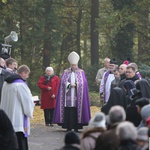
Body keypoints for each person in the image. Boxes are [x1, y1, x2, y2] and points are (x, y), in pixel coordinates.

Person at [53, 51, 91, 132]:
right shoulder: (65, 72)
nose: (74, 66)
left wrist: (77, 84)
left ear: (77, 64)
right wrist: (69, 85)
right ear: (70, 64)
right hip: (68, 96)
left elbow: (84, 83)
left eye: (75, 65)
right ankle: (68, 127)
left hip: (77, 96)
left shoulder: (81, 72)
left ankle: (77, 127)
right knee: (69, 110)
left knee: (76, 110)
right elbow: (62, 82)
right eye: (72, 65)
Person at [0, 65, 35, 150]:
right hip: (17, 121)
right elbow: (27, 102)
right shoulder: (20, 85)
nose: (27, 77)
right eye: (27, 74)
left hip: (6, 120)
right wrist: (31, 108)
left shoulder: (6, 83)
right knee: (20, 144)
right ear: (23, 73)